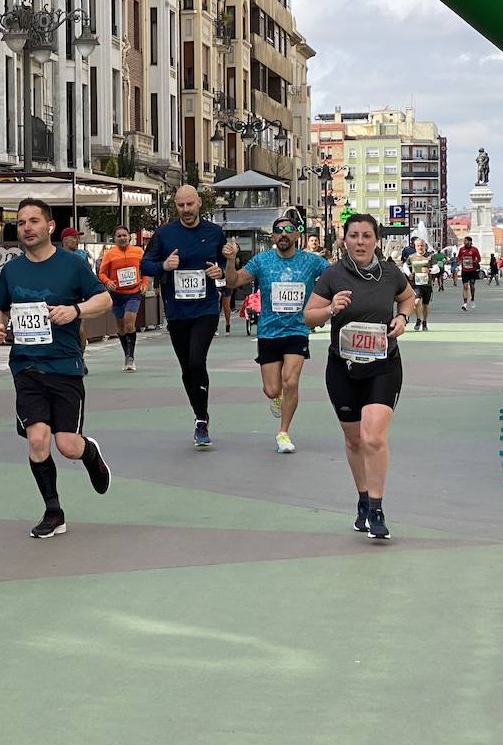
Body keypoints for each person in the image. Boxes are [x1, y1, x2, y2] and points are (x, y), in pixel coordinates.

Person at [0, 198, 113, 539]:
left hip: (65, 365)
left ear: (49, 227)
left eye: (33, 221)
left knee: (67, 446)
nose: (26, 227)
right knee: (38, 440)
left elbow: (104, 299)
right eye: (21, 222)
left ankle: (89, 453)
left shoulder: (72, 265)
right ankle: (53, 511)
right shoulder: (12, 270)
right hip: (26, 366)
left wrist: (74, 311)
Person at [303, 213, 416, 540]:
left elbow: (408, 297)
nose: (360, 242)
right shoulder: (332, 275)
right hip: (342, 369)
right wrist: (330, 309)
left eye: (367, 236)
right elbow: (308, 317)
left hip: (384, 365)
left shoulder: (391, 274)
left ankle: (378, 509)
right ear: (345, 240)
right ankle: (364, 498)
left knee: (373, 436)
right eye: (354, 236)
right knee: (354, 440)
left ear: (376, 240)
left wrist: (403, 318)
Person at [225, 208, 330, 454]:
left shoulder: (311, 261)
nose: (283, 234)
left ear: (297, 235)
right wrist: (231, 261)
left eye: (289, 230)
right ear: (272, 237)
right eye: (278, 231)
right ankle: (277, 398)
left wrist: (323, 307)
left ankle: (283, 432)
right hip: (269, 332)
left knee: (291, 381)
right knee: (273, 389)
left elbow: (335, 277)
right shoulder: (262, 261)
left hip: (297, 330)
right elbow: (232, 282)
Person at [140, 184, 229, 447]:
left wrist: (220, 272)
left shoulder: (214, 233)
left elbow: (224, 263)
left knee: (195, 361)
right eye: (181, 205)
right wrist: (163, 266)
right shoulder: (165, 233)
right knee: (186, 368)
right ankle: (200, 413)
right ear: (175, 206)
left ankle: (201, 420)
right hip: (177, 310)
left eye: (190, 204)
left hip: (205, 308)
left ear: (199, 203)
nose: (186, 210)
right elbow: (145, 264)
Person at [97, 224, 146, 371]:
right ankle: (127, 353)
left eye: (125, 235)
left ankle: (130, 358)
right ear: (114, 239)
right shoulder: (110, 254)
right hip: (117, 294)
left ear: (129, 237)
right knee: (121, 327)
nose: (122, 238)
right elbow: (102, 273)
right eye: (119, 236)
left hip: (134, 292)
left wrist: (144, 282)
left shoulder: (138, 251)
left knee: (129, 323)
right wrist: (107, 282)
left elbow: (145, 269)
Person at [406, 239, 436, 331]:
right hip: (416, 284)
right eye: (418, 246)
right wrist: (409, 274)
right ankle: (419, 319)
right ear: (415, 247)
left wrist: (429, 270)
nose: (420, 248)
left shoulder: (430, 256)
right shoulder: (411, 257)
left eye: (422, 246)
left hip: (427, 284)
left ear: (425, 246)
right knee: (416, 302)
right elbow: (404, 266)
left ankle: (424, 322)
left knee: (425, 304)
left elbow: (437, 268)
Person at [457, 236, 482, 310]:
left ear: (470, 241)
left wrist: (475, 261)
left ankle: (473, 299)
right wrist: (460, 260)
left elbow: (479, 259)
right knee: (465, 287)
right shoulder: (462, 249)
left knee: (472, 287)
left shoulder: (474, 249)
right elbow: (458, 257)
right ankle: (465, 304)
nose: (464, 242)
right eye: (464, 241)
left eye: (466, 241)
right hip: (465, 271)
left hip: (472, 270)